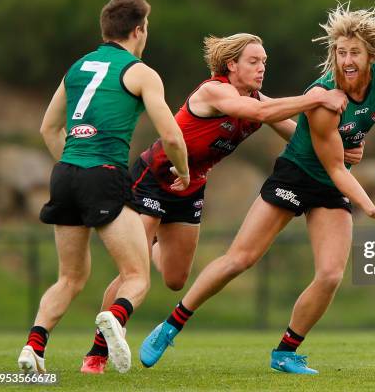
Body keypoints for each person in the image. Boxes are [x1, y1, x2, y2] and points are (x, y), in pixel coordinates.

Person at [139, 2, 375, 374]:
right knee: (240, 259)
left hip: (331, 186)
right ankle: (171, 325)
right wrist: (369, 206)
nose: (346, 60)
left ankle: (286, 351)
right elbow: (334, 166)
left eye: (354, 53)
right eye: (340, 52)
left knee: (330, 275)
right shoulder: (325, 97)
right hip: (296, 174)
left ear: (370, 55)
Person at [80, 32, 355, 374]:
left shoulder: (256, 98)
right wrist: (316, 98)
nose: (261, 69)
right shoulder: (215, 91)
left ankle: (148, 245)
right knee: (133, 272)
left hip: (190, 189)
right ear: (231, 65)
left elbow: (292, 130)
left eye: (264, 62)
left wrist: (338, 149)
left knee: (176, 279)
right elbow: (265, 111)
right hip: (155, 178)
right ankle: (96, 353)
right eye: (253, 62)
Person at [17, 0, 190, 374]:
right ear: (138, 30)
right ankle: (114, 316)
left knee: (70, 277)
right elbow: (173, 137)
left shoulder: (77, 67)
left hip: (64, 173)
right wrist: (185, 171)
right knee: (137, 275)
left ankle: (33, 347)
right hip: (105, 175)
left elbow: (49, 127)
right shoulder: (140, 71)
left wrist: (73, 165)